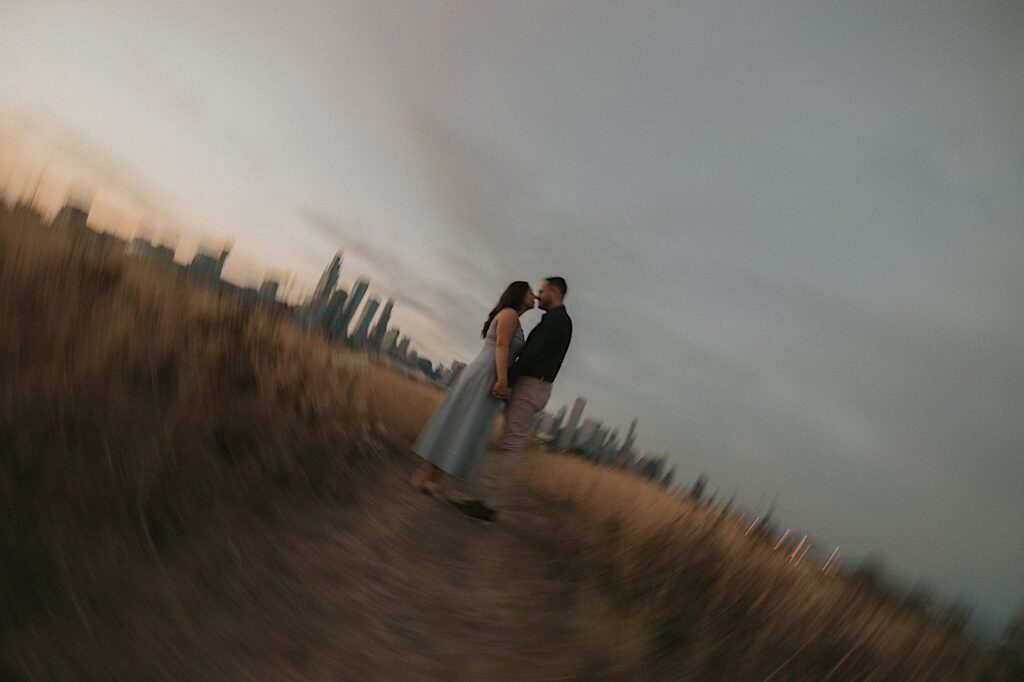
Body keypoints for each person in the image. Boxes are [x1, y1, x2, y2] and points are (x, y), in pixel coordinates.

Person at [455, 277, 572, 522]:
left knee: (511, 445)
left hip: (531, 386)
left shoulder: (557, 321)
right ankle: (488, 501)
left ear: (554, 291)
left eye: (541, 291)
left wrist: (506, 381)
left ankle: (489, 505)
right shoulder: (557, 320)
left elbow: (532, 356)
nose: (538, 295)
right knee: (510, 443)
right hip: (535, 386)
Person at [410, 281, 534, 495]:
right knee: (456, 422)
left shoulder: (512, 316)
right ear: (521, 294)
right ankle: (424, 476)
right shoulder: (510, 314)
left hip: (487, 374)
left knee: (460, 424)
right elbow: (502, 345)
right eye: (531, 292)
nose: (535, 296)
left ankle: (430, 478)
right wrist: (503, 381)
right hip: (485, 375)